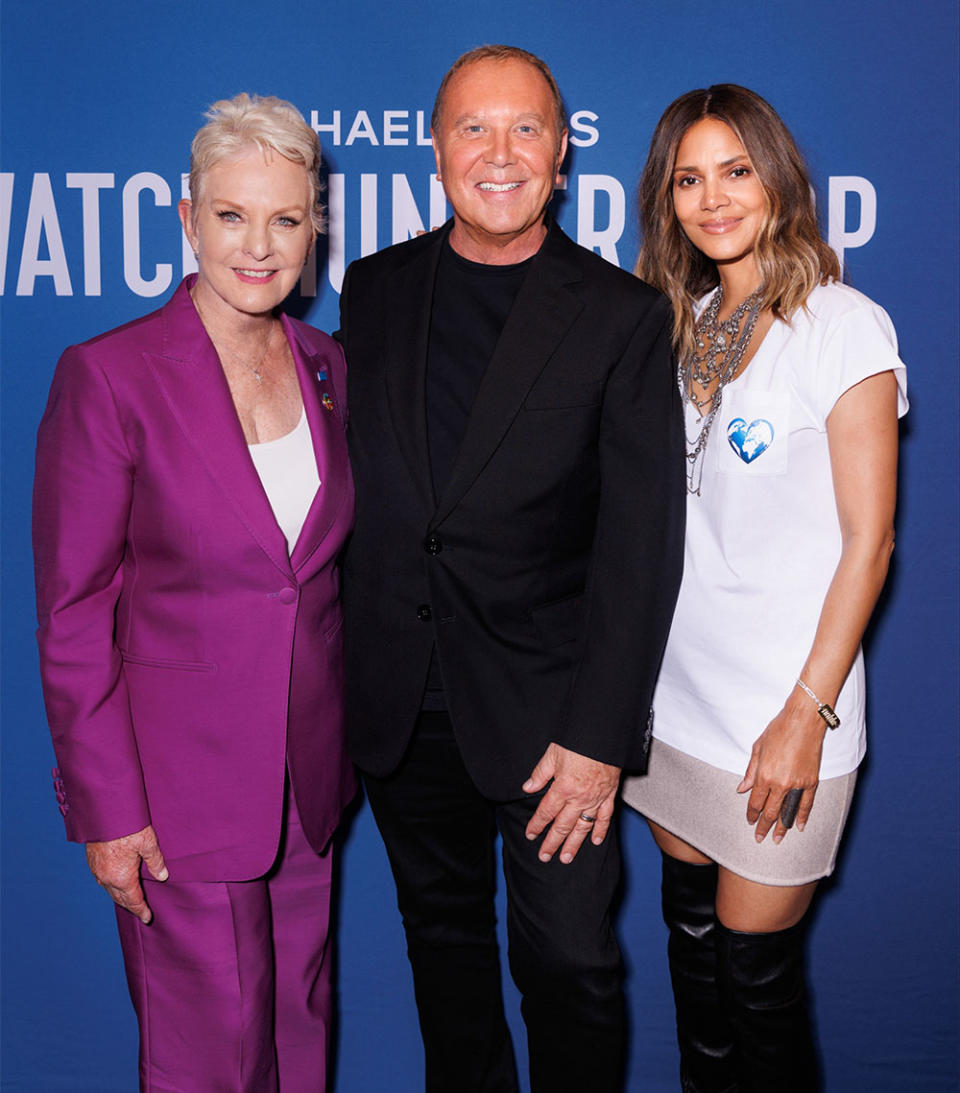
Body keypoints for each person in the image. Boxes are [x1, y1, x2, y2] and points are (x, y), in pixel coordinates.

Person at [337, 44, 685, 1093]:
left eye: (525, 129)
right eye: (473, 130)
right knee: (443, 952)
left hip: (552, 719)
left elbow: (642, 544)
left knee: (572, 964)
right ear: (435, 152)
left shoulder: (621, 315)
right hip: (404, 700)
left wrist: (597, 737)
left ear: (563, 151)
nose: (499, 154)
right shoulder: (374, 288)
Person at [33, 93, 355, 1092]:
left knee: (299, 1040)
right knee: (206, 1061)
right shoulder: (111, 375)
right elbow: (73, 612)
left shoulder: (327, 366)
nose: (258, 246)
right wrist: (108, 810)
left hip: (307, 782)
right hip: (172, 797)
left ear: (314, 229)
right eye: (231, 215)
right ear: (186, 218)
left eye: (285, 219)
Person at [620, 84, 908, 1092]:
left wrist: (805, 715)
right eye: (689, 178)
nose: (714, 198)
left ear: (777, 180)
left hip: (781, 720)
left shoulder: (842, 324)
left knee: (759, 989)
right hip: (673, 709)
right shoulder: (680, 317)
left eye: (735, 171)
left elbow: (868, 545)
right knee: (695, 979)